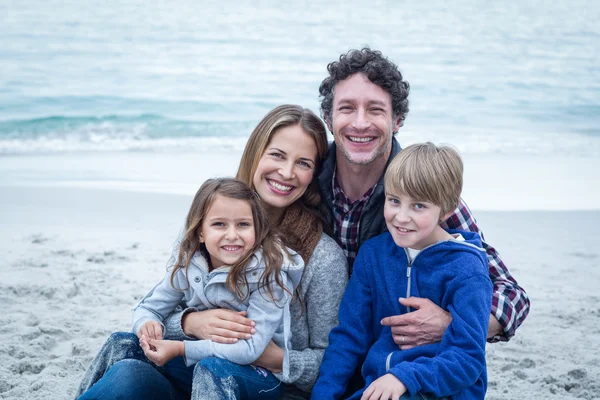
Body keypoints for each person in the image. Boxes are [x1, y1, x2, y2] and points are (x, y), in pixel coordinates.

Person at [74, 105, 348, 399]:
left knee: (214, 370)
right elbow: (161, 305)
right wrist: (191, 323)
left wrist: (271, 357)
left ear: (315, 174)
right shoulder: (210, 222)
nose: (286, 172)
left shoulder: (319, 257)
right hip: (189, 369)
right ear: (256, 152)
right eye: (277, 155)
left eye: (303, 163)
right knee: (126, 359)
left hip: (260, 383)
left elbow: (332, 363)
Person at [316, 47, 529, 347]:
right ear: (328, 117)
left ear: (398, 120)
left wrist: (453, 325)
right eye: (347, 108)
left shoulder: (422, 191)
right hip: (327, 348)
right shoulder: (304, 177)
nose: (360, 123)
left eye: (376, 109)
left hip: (398, 357)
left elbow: (512, 296)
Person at [312, 143, 492, 400]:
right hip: (377, 387)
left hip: (440, 391)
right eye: (394, 201)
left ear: (447, 211)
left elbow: (468, 358)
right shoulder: (373, 254)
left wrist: (404, 377)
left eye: (418, 206)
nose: (401, 217)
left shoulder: (466, 268)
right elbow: (350, 336)